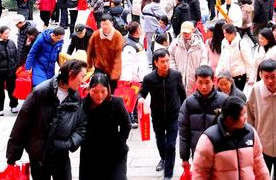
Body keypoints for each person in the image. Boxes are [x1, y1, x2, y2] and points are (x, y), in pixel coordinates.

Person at [7, 59, 88, 180]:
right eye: (82, 76)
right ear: (71, 73)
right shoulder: (41, 92)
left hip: (61, 155)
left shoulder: (75, 96)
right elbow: (22, 123)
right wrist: (13, 156)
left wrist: (70, 143)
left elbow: (82, 124)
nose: (83, 81)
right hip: (38, 156)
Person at [191, 96, 270, 180]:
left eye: (246, 113)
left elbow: (260, 166)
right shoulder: (209, 139)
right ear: (230, 119)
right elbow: (200, 173)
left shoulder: (251, 133)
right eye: (243, 114)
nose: (246, 117)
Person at [138, 49, 187, 180]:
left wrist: (185, 111)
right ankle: (163, 159)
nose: (166, 64)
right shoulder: (149, 78)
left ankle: (168, 174)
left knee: (171, 145)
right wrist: (140, 98)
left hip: (174, 115)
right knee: (161, 143)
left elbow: (182, 94)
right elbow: (141, 92)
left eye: (167, 61)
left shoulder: (176, 75)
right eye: (162, 61)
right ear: (156, 63)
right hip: (157, 116)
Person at [79, 72, 131, 180]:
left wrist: (121, 141)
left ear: (108, 89)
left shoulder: (117, 103)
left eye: (103, 91)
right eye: (95, 91)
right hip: (90, 152)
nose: (99, 96)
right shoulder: (82, 105)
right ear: (89, 90)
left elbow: (126, 124)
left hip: (114, 150)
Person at [178, 65, 227, 171]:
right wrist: (184, 157)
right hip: (197, 151)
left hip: (220, 151)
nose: (204, 86)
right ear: (196, 81)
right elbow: (183, 132)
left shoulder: (224, 101)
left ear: (213, 81)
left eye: (207, 82)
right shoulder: (188, 103)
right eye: (200, 82)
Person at [86, 15, 125, 93]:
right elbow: (90, 50)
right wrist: (89, 64)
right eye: (103, 24)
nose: (105, 27)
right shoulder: (96, 35)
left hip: (113, 67)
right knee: (96, 84)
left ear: (112, 23)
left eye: (107, 24)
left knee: (112, 89)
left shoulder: (117, 36)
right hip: (99, 65)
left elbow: (118, 57)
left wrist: (115, 73)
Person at [169, 21, 207, 95]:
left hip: (194, 78)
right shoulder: (175, 44)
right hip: (178, 77)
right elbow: (171, 57)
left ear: (193, 30)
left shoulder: (200, 45)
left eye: (188, 32)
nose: (186, 34)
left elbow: (204, 61)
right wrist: (174, 71)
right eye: (184, 32)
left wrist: (199, 74)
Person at [0, 25, 20, 115]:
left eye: (8, 33)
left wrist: (15, 66)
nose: (7, 35)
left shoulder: (11, 43)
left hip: (11, 71)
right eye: (5, 33)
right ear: (0, 34)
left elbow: (16, 55)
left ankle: (14, 105)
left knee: (12, 89)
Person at [217, 23, 254, 91]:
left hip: (239, 76)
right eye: (224, 33)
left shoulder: (242, 43)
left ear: (232, 33)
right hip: (228, 76)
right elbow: (222, 58)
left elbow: (248, 61)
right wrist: (218, 72)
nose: (224, 35)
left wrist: (249, 76)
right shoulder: (224, 42)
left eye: (226, 33)